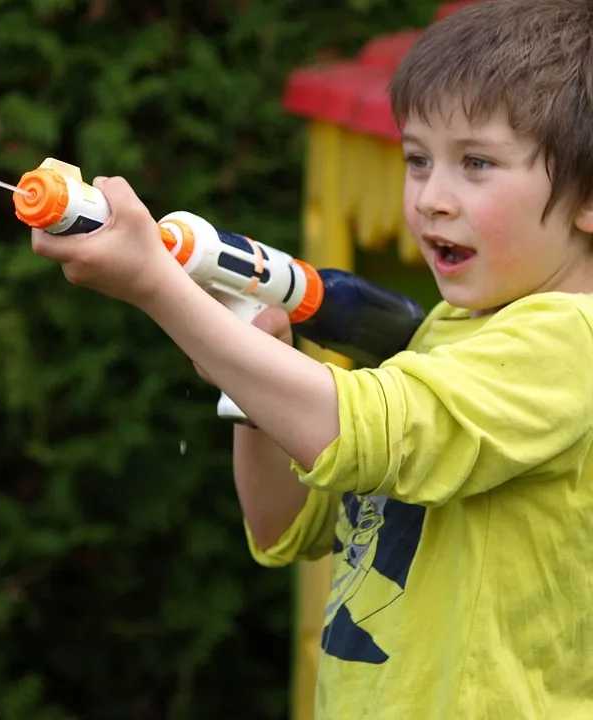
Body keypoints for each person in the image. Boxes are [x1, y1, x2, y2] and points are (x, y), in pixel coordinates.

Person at [30, 0, 593, 716]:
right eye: (418, 160)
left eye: (476, 163)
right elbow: (284, 525)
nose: (431, 200)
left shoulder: (572, 340)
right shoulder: (451, 336)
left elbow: (356, 431)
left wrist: (156, 286)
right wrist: (253, 378)